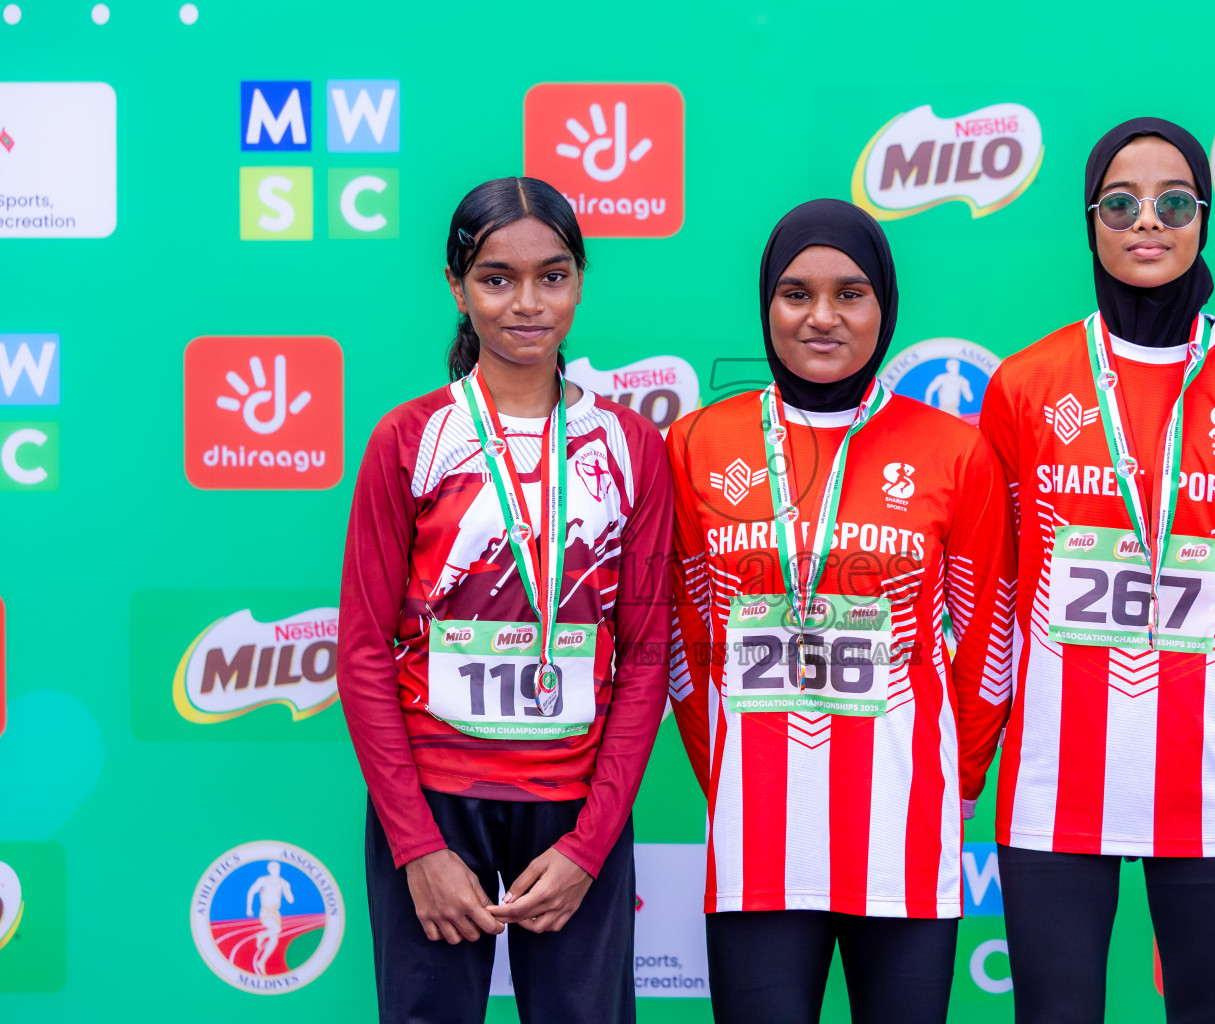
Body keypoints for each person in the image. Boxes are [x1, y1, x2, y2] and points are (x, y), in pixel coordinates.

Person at [980, 118, 1215, 1024]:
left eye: (1174, 203)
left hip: (1210, 779)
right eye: (1120, 204)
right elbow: (994, 590)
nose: (1147, 222)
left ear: (1205, 218)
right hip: (1053, 780)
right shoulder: (1024, 386)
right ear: (1090, 221)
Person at [667, 198, 1016, 1024]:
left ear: (884, 306)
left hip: (903, 831)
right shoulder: (697, 444)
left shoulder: (954, 451)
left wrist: (956, 782)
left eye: (849, 294)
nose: (821, 317)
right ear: (767, 306)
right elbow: (684, 641)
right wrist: (726, 776)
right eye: (796, 294)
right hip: (755, 837)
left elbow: (987, 640)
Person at [338, 176, 673, 1024]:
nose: (527, 303)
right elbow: (364, 651)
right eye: (497, 278)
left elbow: (644, 658)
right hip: (434, 801)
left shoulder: (632, 445)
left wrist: (590, 846)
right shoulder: (411, 439)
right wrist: (416, 846)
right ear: (457, 287)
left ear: (580, 280)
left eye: (552, 276)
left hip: (575, 807)